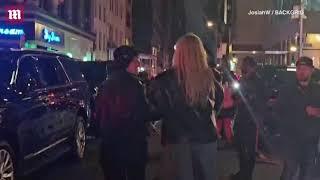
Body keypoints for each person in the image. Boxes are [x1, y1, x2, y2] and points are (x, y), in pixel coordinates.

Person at [147, 33, 220, 180]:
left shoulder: (164, 80)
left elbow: (154, 110)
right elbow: (217, 105)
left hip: (178, 142)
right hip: (206, 140)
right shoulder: (212, 78)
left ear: (178, 53)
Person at [95, 45, 152, 180]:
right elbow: (143, 113)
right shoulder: (134, 85)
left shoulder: (106, 84)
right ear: (126, 62)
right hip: (132, 148)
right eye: (135, 60)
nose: (139, 64)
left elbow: (98, 116)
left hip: (110, 148)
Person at [276, 57, 320, 180]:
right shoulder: (287, 89)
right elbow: (279, 110)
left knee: (307, 174)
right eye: (299, 69)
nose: (301, 71)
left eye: (305, 69)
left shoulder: (317, 90)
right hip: (292, 140)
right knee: (289, 173)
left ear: (312, 71)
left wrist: (316, 112)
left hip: (310, 141)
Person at [232, 56, 268, 180]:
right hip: (241, 119)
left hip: (251, 121)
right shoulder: (243, 79)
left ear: (253, 67)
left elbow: (261, 101)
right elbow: (236, 95)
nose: (243, 67)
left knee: (249, 151)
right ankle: (242, 173)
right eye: (243, 64)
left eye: (246, 65)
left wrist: (247, 99)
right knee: (241, 149)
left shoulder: (258, 81)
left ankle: (246, 175)